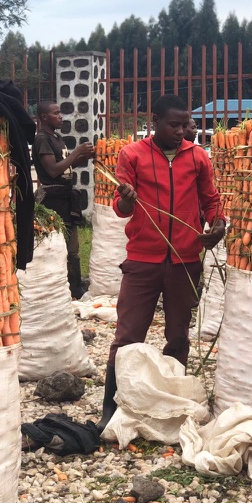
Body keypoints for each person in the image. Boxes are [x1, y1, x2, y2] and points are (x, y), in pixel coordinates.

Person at [97, 94, 225, 430]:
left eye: (185, 125)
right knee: (128, 336)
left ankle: (172, 402)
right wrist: (127, 199)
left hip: (185, 260)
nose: (181, 131)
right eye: (174, 125)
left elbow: (210, 199)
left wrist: (218, 224)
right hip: (142, 261)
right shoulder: (132, 155)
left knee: (178, 335)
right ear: (154, 121)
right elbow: (120, 208)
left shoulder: (198, 157)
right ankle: (111, 407)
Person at [32, 101, 94, 298]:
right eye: (56, 113)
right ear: (44, 117)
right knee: (59, 245)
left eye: (60, 113)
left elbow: (65, 166)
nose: (61, 116)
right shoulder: (42, 139)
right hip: (53, 200)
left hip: (65, 198)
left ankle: (75, 286)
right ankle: (66, 287)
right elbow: (52, 170)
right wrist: (76, 152)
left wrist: (84, 157)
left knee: (72, 246)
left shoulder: (56, 138)